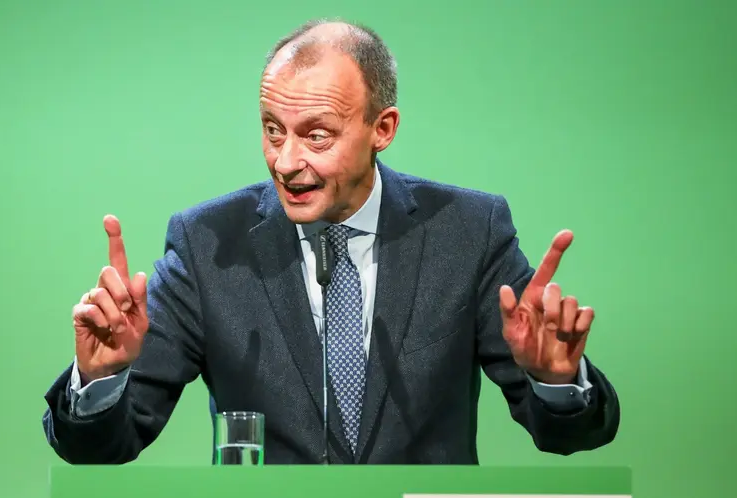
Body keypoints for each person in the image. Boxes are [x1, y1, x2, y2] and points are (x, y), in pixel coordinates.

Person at [42, 18, 619, 465]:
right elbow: (100, 447)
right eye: (273, 130)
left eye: (316, 136)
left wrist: (555, 381)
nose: (286, 161)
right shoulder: (207, 246)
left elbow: (572, 436)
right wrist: (100, 380)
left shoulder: (468, 232)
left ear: (382, 129)